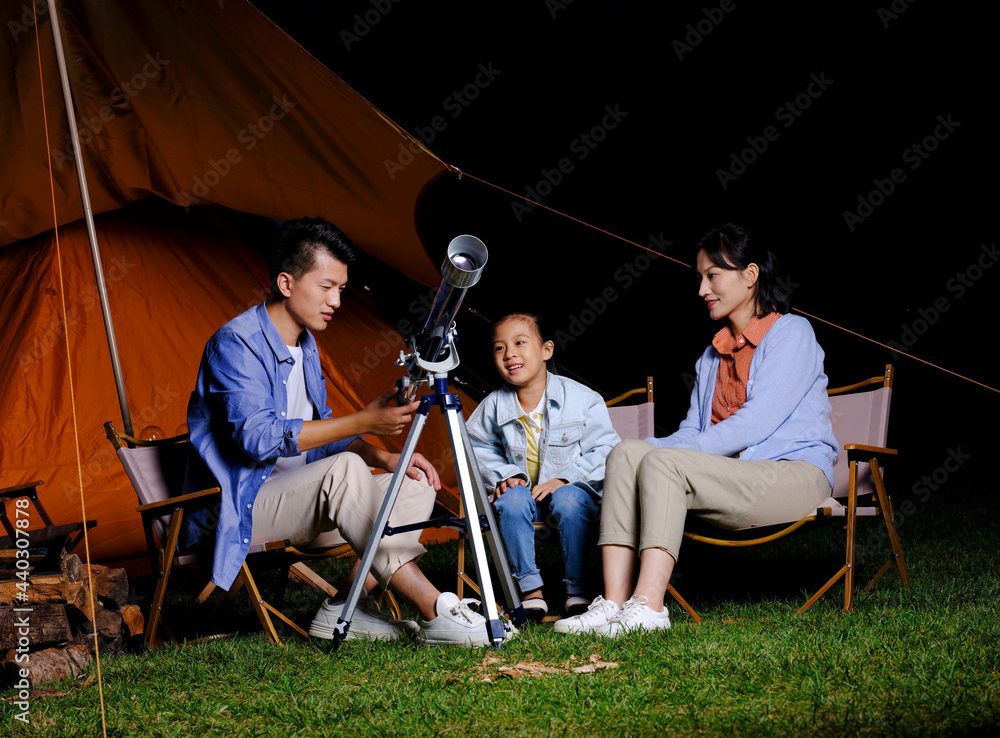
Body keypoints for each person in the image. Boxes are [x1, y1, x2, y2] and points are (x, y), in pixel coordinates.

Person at [184, 217, 494, 646]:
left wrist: (383, 457)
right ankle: (435, 608)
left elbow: (322, 434)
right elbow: (255, 440)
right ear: (286, 283)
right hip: (243, 508)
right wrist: (365, 421)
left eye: (342, 290)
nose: (337, 301)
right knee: (344, 469)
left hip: (302, 502)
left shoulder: (306, 345)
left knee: (414, 483)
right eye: (326, 287)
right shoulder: (236, 342)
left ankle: (344, 607)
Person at [555, 223, 838, 636]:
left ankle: (650, 607)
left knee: (664, 463)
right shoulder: (712, 355)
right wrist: (639, 451)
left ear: (750, 275)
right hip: (731, 477)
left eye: (712, 276)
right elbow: (691, 432)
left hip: (793, 474)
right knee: (626, 453)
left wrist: (662, 457)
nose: (702, 289)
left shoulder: (792, 333)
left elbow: (757, 422)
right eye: (700, 278)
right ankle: (613, 604)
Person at [466, 313, 620, 621]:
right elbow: (474, 447)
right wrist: (506, 475)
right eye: (499, 348)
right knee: (510, 501)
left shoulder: (583, 399)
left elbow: (606, 449)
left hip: (572, 494)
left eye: (519, 343)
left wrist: (566, 478)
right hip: (524, 497)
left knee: (569, 500)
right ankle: (529, 590)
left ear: (546, 350)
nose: (509, 354)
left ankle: (576, 588)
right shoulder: (494, 405)